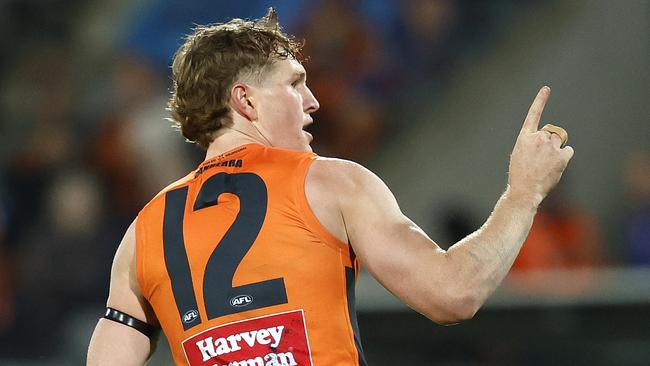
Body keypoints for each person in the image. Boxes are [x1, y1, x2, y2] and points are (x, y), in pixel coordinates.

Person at [87, 8, 573, 366]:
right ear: (246, 101)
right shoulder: (331, 183)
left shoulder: (142, 233)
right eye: (295, 84)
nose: (314, 101)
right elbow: (453, 293)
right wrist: (523, 191)